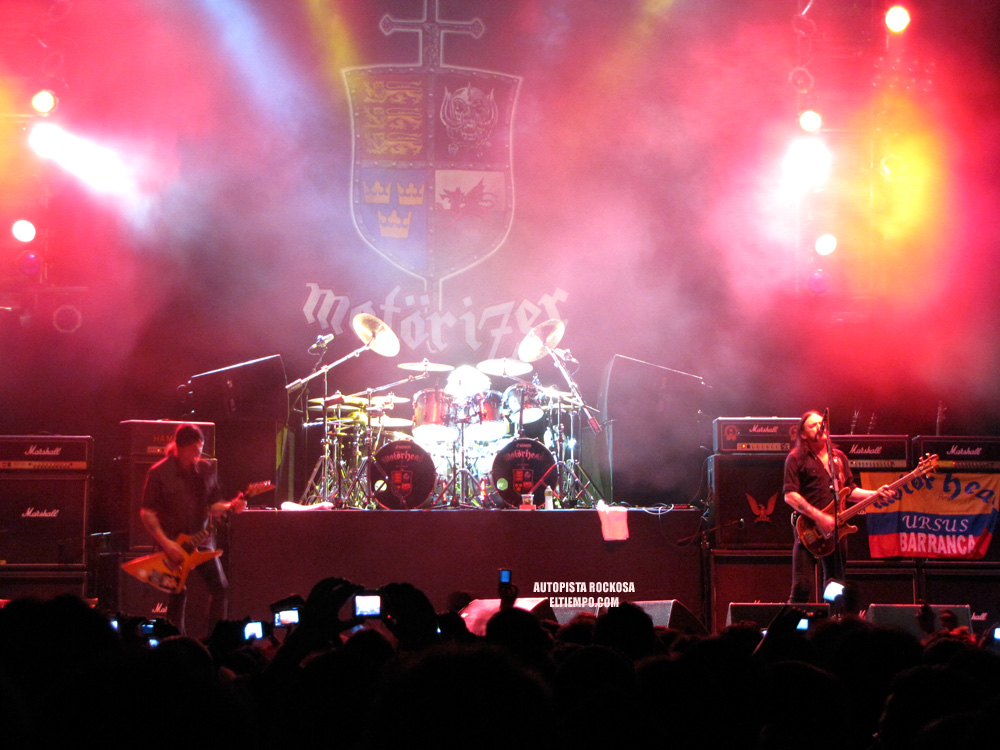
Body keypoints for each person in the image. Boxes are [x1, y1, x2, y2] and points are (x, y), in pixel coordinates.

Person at [140, 423, 246, 635]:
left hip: (201, 542)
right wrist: (166, 543)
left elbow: (213, 506)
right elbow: (147, 512)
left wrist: (231, 506)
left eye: (201, 448)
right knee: (177, 594)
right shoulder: (159, 472)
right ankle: (175, 642)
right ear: (180, 447)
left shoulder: (205, 470)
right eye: (194, 448)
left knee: (221, 589)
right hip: (171, 545)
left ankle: (216, 639)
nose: (198, 453)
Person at [783, 410, 887, 604]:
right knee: (802, 586)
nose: (820, 427)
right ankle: (794, 622)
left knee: (835, 586)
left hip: (837, 530)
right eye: (813, 425)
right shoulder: (796, 458)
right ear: (803, 434)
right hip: (808, 528)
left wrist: (875, 494)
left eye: (821, 423)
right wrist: (820, 517)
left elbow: (850, 490)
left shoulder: (839, 458)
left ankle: (831, 619)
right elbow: (790, 495)